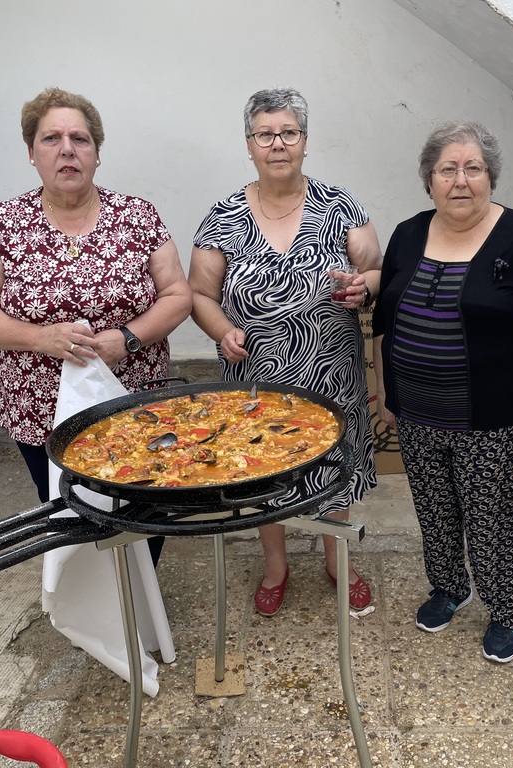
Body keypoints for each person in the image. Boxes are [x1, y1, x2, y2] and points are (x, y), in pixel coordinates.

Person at [0, 87, 193, 543]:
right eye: (51, 139)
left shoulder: (138, 216)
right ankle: (93, 611)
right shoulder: (3, 224)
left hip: (134, 398)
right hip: (41, 408)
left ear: (96, 154)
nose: (67, 149)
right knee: (73, 518)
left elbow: (177, 296)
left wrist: (126, 338)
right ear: (31, 152)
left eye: (80, 139)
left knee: (148, 509)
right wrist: (39, 337)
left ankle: (138, 608)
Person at [372, 121, 513, 663]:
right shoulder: (409, 233)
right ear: (429, 179)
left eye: (473, 168)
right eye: (447, 169)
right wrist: (386, 388)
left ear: (490, 177)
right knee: (433, 506)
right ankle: (449, 587)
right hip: (416, 409)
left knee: (490, 514)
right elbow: (384, 316)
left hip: (492, 414)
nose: (461, 180)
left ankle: (505, 609)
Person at [188, 87, 382, 616]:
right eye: (265, 134)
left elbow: (376, 271)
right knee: (262, 468)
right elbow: (199, 295)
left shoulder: (338, 205)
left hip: (331, 375)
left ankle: (337, 560)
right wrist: (221, 330)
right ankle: (276, 566)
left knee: (332, 470)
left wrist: (363, 286)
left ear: (304, 141)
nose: (278, 144)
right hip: (255, 378)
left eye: (289, 133)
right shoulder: (223, 216)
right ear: (249, 144)